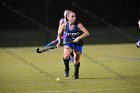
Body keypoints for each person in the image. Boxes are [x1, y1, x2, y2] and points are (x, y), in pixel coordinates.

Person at [56, 10, 90, 79]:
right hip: (69, 43)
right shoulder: (64, 25)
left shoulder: (78, 25)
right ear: (67, 17)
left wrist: (78, 38)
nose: (74, 18)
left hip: (78, 43)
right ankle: (67, 69)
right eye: (72, 16)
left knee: (76, 59)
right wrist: (59, 42)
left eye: (75, 16)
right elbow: (59, 34)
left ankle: (76, 72)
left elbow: (87, 33)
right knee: (66, 56)